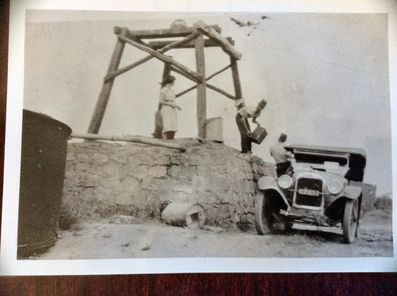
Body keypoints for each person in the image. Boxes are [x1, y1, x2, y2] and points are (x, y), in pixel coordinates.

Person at [158, 75, 181, 140]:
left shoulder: (171, 90)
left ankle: (171, 139)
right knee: (167, 124)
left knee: (173, 124)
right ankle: (164, 140)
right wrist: (170, 104)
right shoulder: (164, 90)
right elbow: (160, 101)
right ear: (170, 82)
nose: (174, 83)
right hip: (166, 109)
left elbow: (172, 100)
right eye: (173, 82)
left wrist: (176, 106)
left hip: (172, 109)